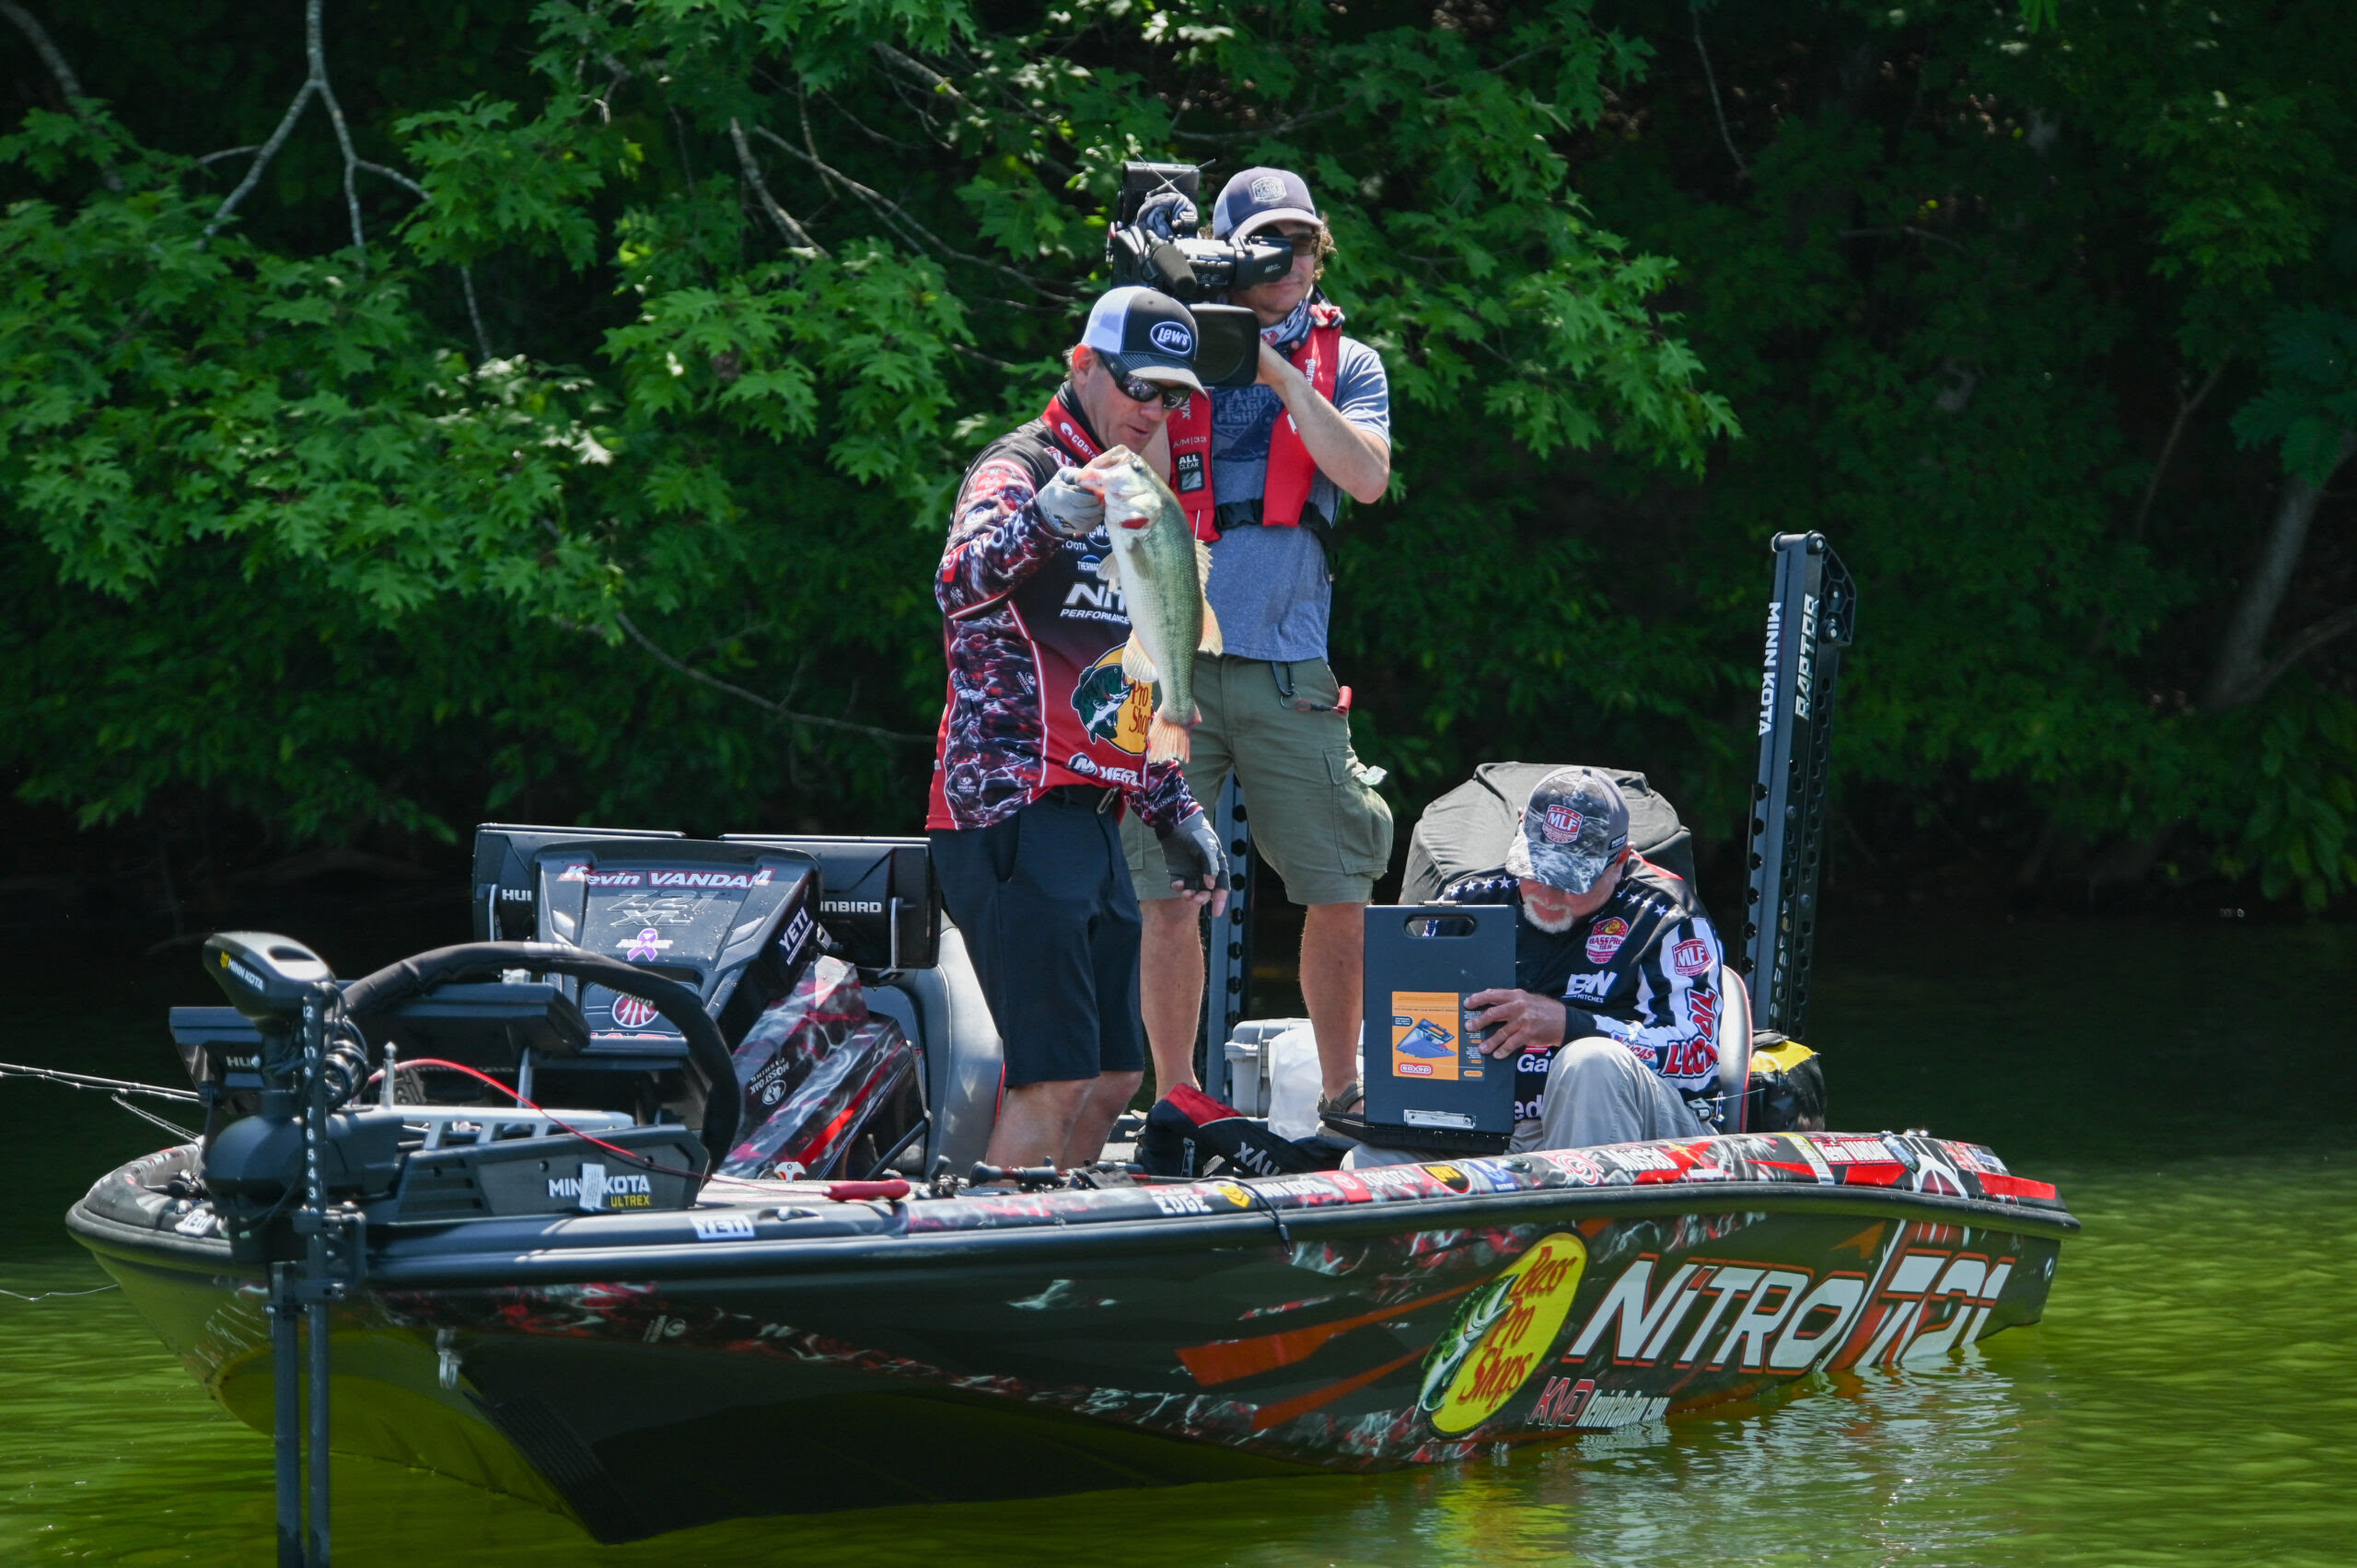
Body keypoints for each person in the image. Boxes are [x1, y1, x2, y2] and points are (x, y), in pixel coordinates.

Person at [927, 285, 1229, 1175]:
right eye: (1140, 385)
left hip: (1096, 812)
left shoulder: (1145, 493)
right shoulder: (1018, 467)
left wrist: (1174, 807)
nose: (1154, 409)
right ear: (1084, 366)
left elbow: (1130, 673)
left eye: (1173, 396)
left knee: (1111, 1074)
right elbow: (957, 581)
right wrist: (1052, 515)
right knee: (1053, 1075)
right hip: (1012, 808)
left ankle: (1050, 1225)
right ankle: (995, 1273)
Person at [1119, 165, 1395, 1121]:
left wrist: (1274, 369)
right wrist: (1171, 349)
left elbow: (1363, 480)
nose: (1293, 260)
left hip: (1288, 664)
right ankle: (1177, 1095)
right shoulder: (1170, 349)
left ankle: (1343, 1087)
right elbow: (1128, 477)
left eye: (1306, 242)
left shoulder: (1348, 362)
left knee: (1337, 879)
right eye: (1269, 243)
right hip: (1167, 666)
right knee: (1165, 891)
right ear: (1230, 255)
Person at [1351, 769, 1728, 1165]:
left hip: (1649, 1137)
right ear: (1518, 831)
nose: (1549, 894)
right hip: (1489, 1133)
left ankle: (1587, 1220)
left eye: (1571, 880)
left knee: (1590, 1063)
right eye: (1535, 870)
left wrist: (1570, 1025)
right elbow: (1414, 1033)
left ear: (1620, 860)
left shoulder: (1668, 919)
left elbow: (1698, 1061)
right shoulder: (1468, 902)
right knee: (1366, 1162)